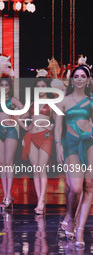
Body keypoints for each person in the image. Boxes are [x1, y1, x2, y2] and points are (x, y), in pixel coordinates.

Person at [54, 65, 93, 248]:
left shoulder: (91, 100)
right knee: (76, 188)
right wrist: (58, 147)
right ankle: (70, 215)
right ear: (72, 79)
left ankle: (80, 230)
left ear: (88, 79)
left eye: (82, 76)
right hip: (70, 145)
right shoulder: (64, 101)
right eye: (76, 76)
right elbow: (58, 127)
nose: (79, 78)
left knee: (89, 185)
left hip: (89, 143)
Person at [0, 77, 24, 210]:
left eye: (7, 85)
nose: (4, 87)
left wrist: (15, 120)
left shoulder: (13, 100)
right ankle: (5, 195)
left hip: (10, 132)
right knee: (1, 164)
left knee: (8, 163)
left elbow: (25, 111)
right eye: (2, 85)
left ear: (10, 87)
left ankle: (8, 196)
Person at [21, 77, 54, 214]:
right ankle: (40, 201)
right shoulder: (33, 103)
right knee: (35, 170)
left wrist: (51, 126)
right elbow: (19, 117)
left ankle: (41, 201)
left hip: (45, 137)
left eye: (43, 85)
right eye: (38, 86)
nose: (40, 88)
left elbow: (59, 121)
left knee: (42, 169)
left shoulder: (52, 103)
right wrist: (26, 127)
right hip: (32, 136)